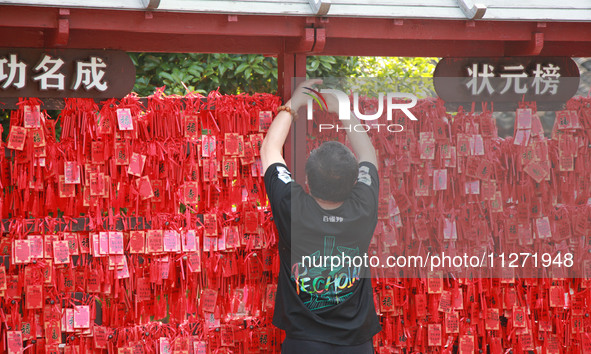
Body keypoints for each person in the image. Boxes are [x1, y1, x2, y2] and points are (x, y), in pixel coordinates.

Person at [261, 79, 381, 353]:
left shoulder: (293, 207)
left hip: (303, 341)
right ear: (354, 183)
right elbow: (368, 155)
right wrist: (343, 109)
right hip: (356, 343)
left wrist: (294, 104)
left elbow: (269, 150)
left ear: (306, 180)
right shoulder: (363, 207)